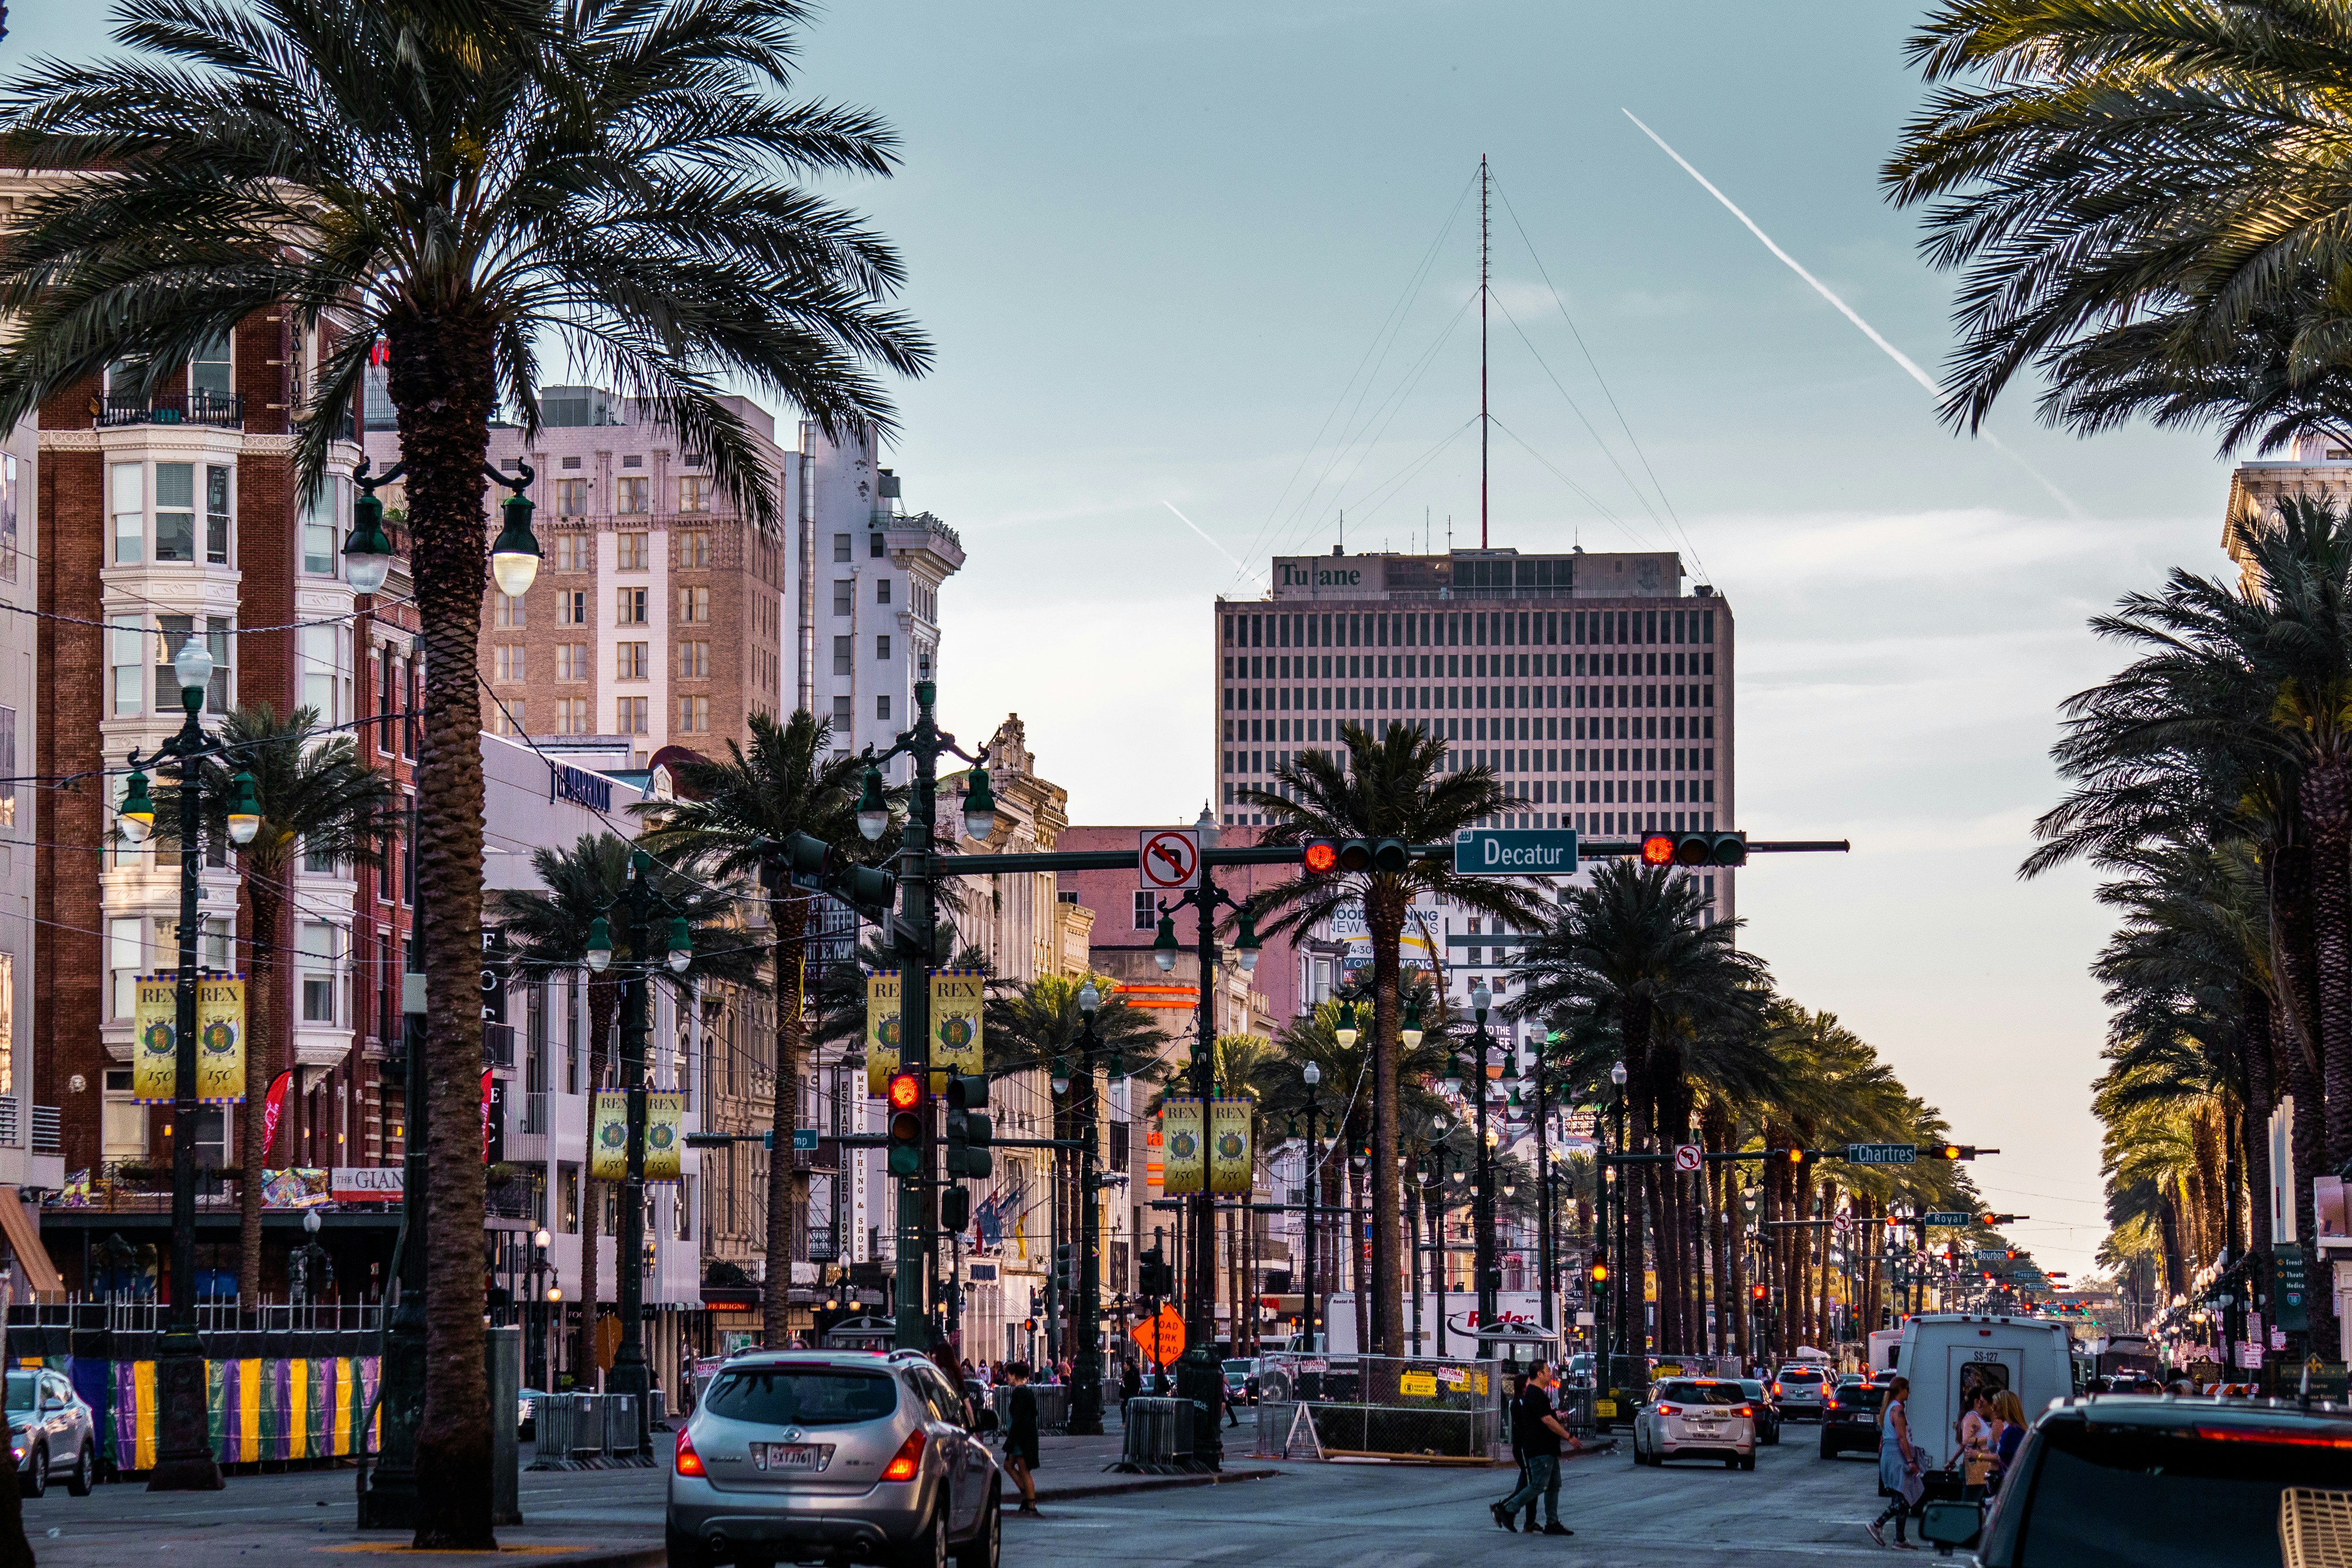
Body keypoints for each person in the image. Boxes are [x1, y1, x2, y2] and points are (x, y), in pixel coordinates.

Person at [1491, 1362, 1573, 1537]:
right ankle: (1506, 1509)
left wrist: (1557, 1418)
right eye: (1548, 1371)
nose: (1551, 1374)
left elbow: (1548, 1417)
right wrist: (1568, 1436)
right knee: (1537, 1485)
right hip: (1539, 1448)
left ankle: (1552, 1523)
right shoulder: (1534, 1395)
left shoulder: (1539, 1396)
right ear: (1539, 1374)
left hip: (1548, 1448)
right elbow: (1547, 1421)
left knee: (1553, 1486)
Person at [1867, 1374, 1924, 1549]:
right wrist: (1910, 1460)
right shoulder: (1898, 1410)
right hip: (1896, 1456)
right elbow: (1901, 1437)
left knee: (1899, 1498)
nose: (1909, 1392)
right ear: (1901, 1390)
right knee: (1904, 1499)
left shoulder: (1889, 1408)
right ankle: (1878, 1523)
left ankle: (1900, 1539)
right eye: (1907, 1389)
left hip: (1888, 1455)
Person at [1004, 1362, 1041, 1516]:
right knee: (1008, 1465)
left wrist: (1010, 1440)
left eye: (1008, 1375)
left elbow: (1017, 1420)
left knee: (1024, 1471)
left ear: (1014, 1375)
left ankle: (1030, 1502)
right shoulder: (1026, 1392)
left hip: (1021, 1439)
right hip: (1023, 1437)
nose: (1007, 1378)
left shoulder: (1019, 1394)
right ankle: (1027, 1497)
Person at [1987, 1389, 2028, 1487]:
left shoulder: (2014, 1432)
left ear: (2005, 1407)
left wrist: (1978, 1456)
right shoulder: (2012, 1429)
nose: (1993, 1410)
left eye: (1995, 1406)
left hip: (2012, 1482)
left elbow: (2020, 1459)